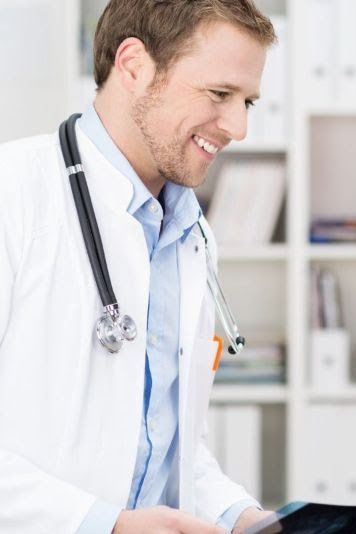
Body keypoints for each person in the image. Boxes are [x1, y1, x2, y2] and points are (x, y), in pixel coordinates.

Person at [0, 1, 278, 532]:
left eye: (249, 101)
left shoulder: (191, 233)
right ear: (133, 65)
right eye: (220, 94)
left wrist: (241, 516)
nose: (239, 127)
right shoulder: (13, 195)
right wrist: (102, 523)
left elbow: (172, 442)